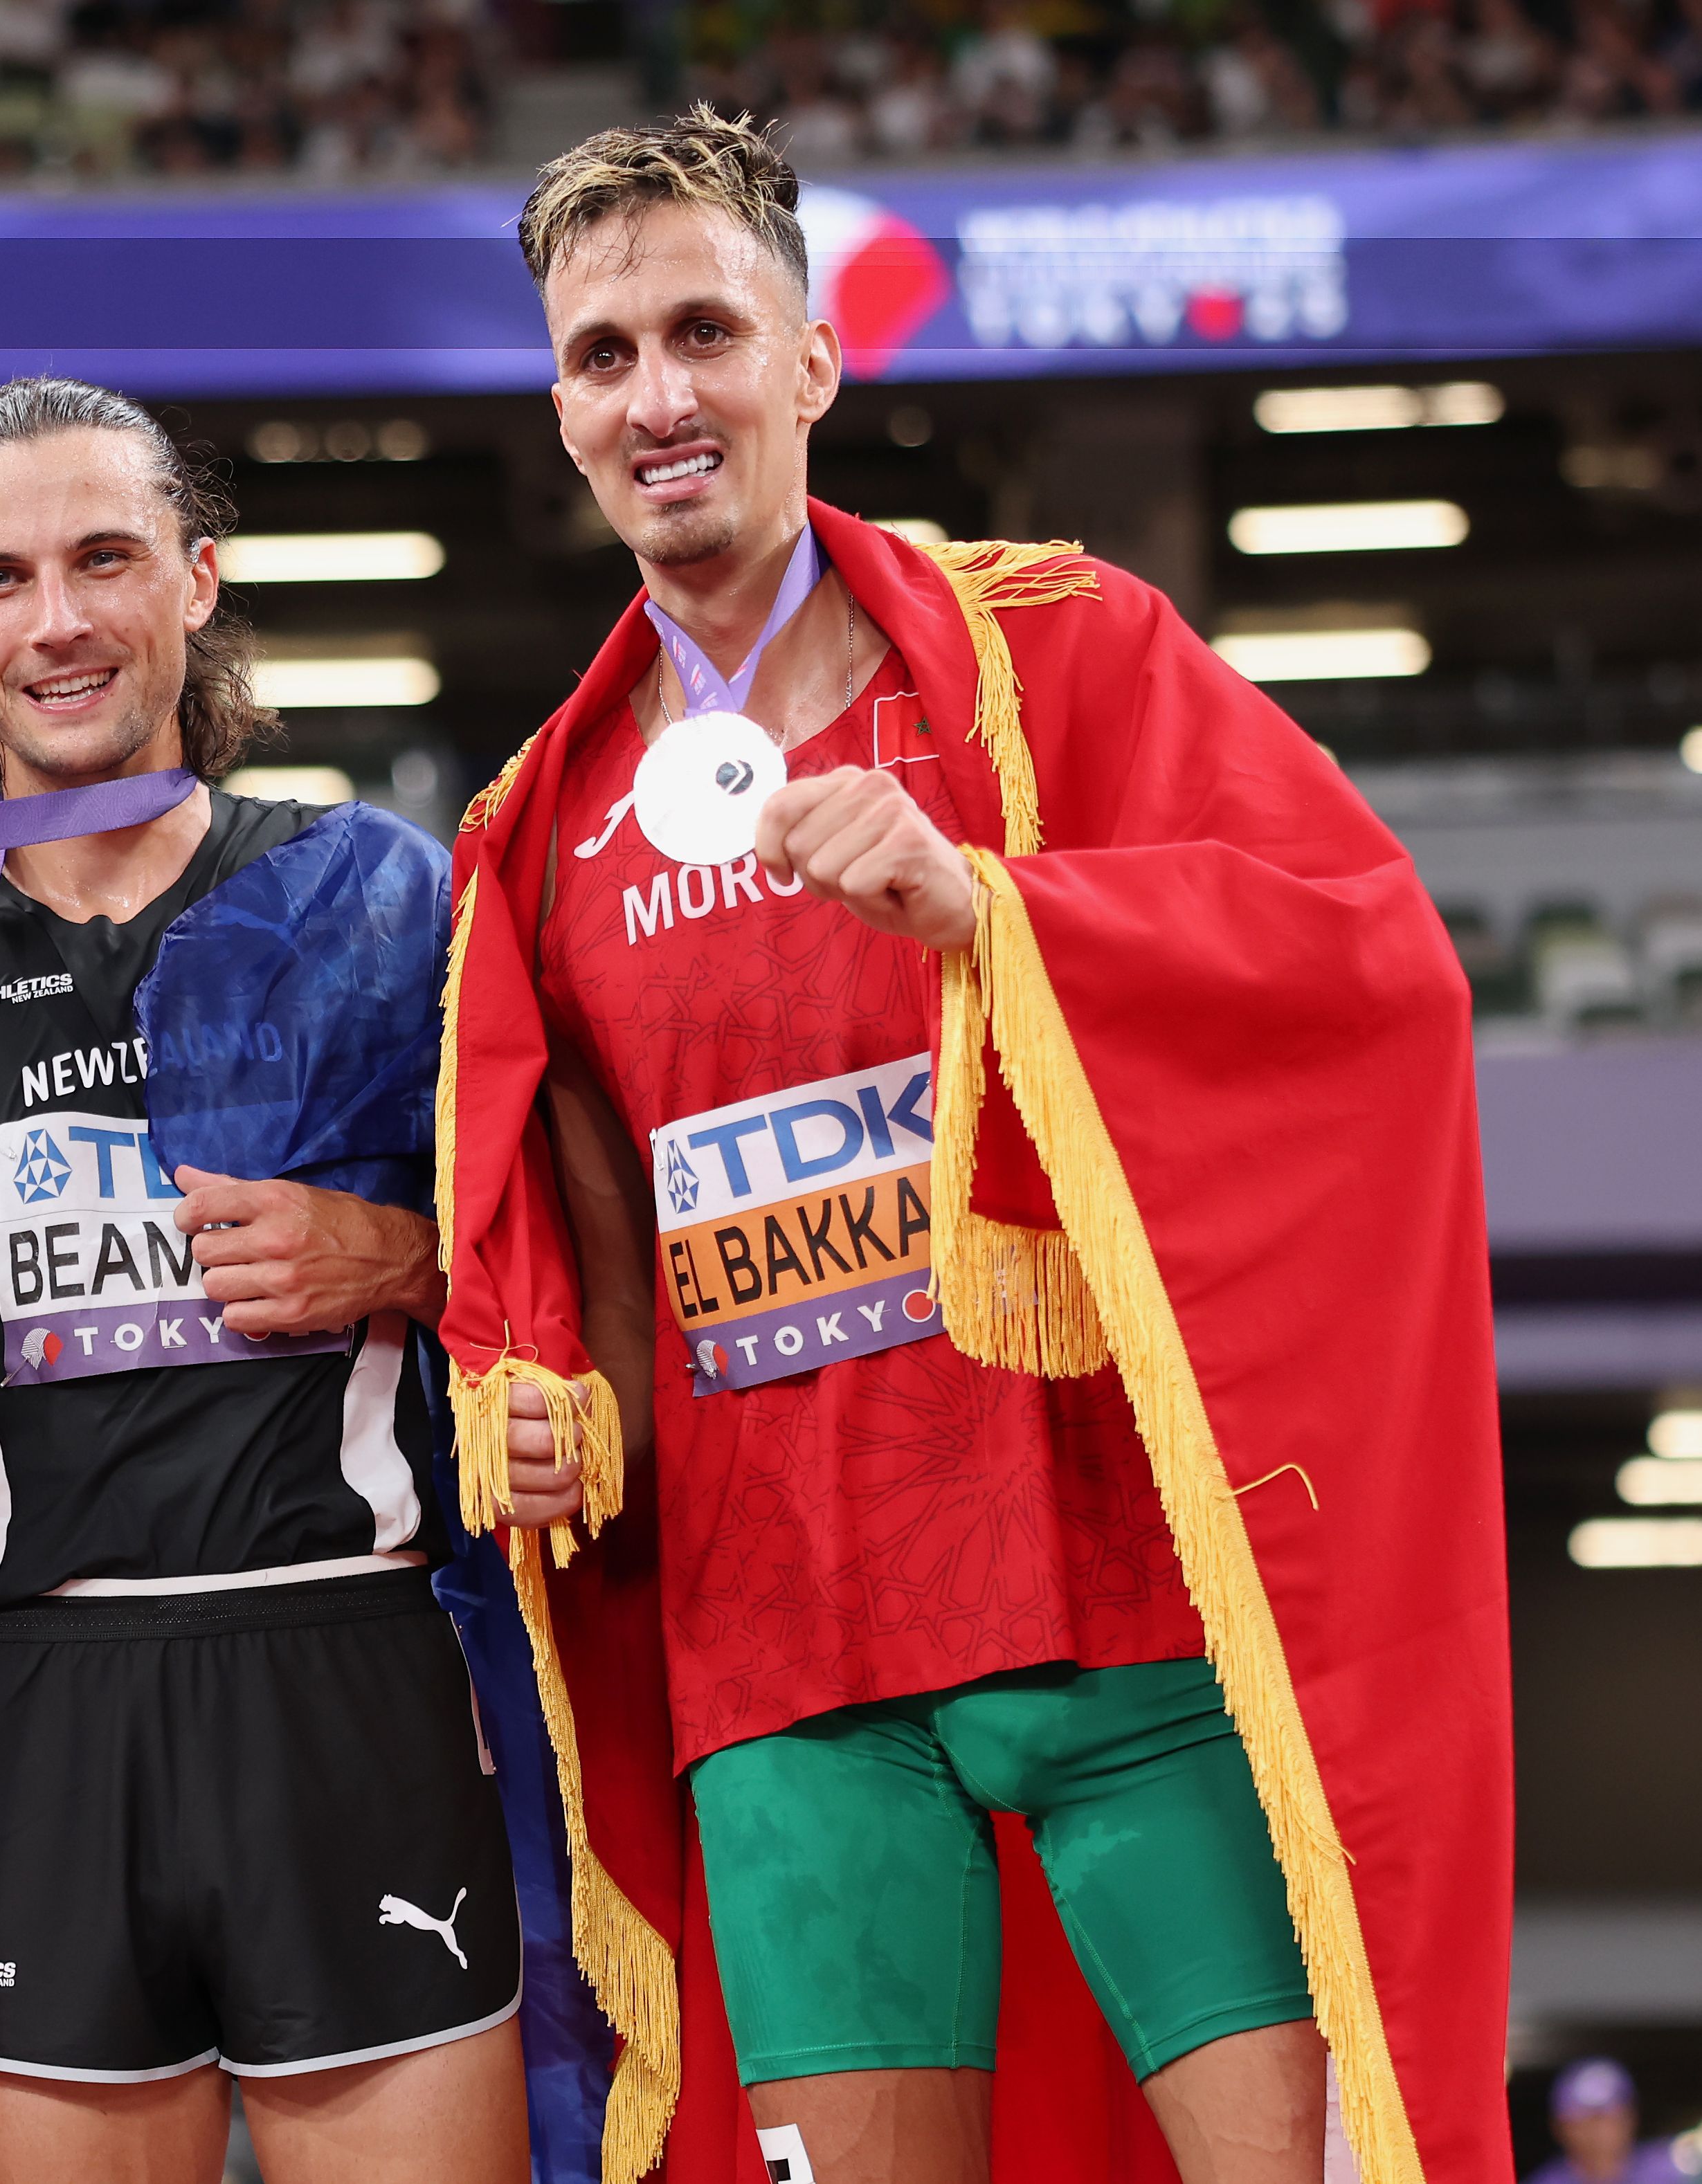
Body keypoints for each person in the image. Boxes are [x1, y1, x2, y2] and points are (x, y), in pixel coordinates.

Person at [433, 115, 1510, 2183]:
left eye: (699, 330)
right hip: (782, 1671)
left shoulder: (1063, 650)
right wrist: (563, 1417)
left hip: (1114, 1609)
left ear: (810, 363)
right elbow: (591, 1267)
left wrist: (995, 916)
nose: (653, 395)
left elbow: (1367, 965)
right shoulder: (531, 833)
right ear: (559, 411)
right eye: (595, 355)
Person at [0, 376, 532, 2183]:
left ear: (197, 575)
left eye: (103, 557)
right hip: (29, 1706)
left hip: (350, 1665)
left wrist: (401, 1255)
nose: (58, 618)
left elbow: (572, 1271)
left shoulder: (369, 896)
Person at [1528, 2060, 1685, 2184]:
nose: (1597, 2129)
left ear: (1631, 2118)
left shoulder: (1675, 2169)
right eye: (1583, 2118)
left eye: (1607, 2115)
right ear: (1559, 2127)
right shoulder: (1544, 2181)